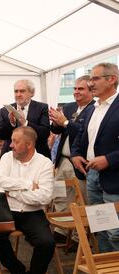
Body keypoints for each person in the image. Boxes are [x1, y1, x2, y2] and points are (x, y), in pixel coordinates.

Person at [71, 63, 119, 274]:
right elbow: (81, 134)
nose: (91, 83)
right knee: (101, 224)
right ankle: (103, 270)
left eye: (96, 78)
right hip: (92, 174)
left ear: (112, 79)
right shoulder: (92, 108)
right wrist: (76, 155)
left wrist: (109, 159)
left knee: (116, 230)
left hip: (113, 176)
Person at [0, 126, 55, 274]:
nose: (10, 145)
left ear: (29, 144)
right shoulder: (6, 157)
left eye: (15, 141)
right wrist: (28, 184)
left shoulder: (44, 163)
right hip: (7, 210)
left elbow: (44, 197)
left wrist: (11, 192)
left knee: (47, 242)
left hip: (32, 212)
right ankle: (18, 272)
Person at [50, 75, 94, 214]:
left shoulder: (94, 109)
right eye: (74, 88)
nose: (76, 91)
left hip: (80, 162)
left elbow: (83, 134)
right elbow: (56, 130)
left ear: (91, 91)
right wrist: (56, 122)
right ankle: (62, 231)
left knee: (82, 199)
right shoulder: (69, 107)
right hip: (63, 161)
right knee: (60, 196)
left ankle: (78, 234)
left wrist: (65, 122)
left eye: (81, 89)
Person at [0, 79, 51, 159]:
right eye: (16, 91)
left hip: (37, 156)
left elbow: (45, 133)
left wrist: (25, 123)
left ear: (32, 93)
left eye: (22, 91)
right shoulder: (5, 110)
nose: (18, 94)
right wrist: (12, 123)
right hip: (11, 156)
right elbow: (1, 135)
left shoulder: (42, 108)